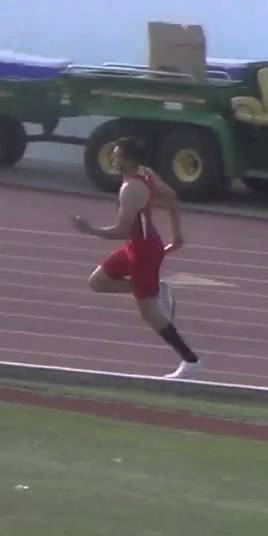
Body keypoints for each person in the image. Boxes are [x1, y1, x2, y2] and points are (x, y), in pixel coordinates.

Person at [71, 136, 201, 380]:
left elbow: (120, 230)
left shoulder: (132, 189)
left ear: (128, 160)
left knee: (149, 314)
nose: (112, 158)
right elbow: (171, 196)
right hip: (138, 245)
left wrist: (90, 231)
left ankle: (191, 360)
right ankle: (154, 290)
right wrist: (177, 233)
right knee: (98, 282)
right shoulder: (146, 174)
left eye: (117, 155)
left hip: (144, 253)